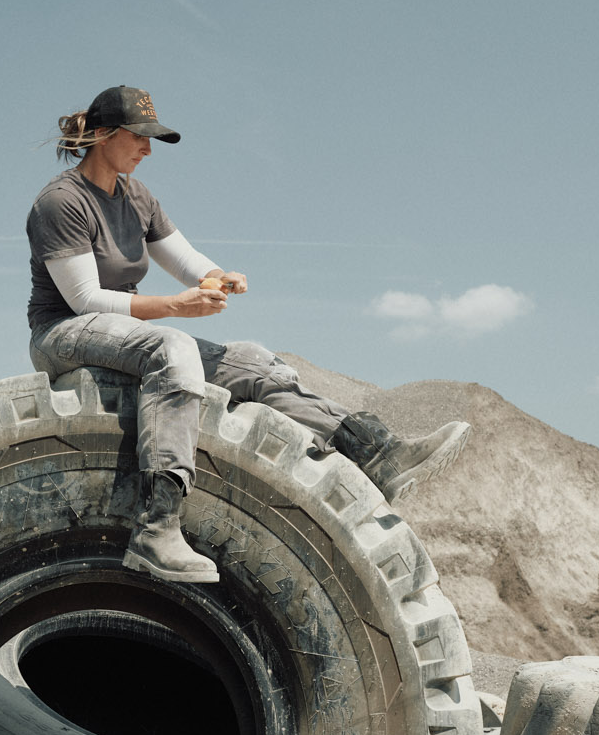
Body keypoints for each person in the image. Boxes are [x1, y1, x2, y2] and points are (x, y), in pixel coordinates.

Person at [26, 85, 469, 585]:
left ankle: (372, 452)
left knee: (254, 360)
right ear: (103, 136)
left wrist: (217, 275)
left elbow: (184, 259)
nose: (148, 149)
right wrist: (176, 307)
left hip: (123, 328)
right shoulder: (61, 202)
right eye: (139, 137)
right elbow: (85, 299)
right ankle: (156, 527)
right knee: (171, 349)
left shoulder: (136, 196)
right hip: (64, 331)